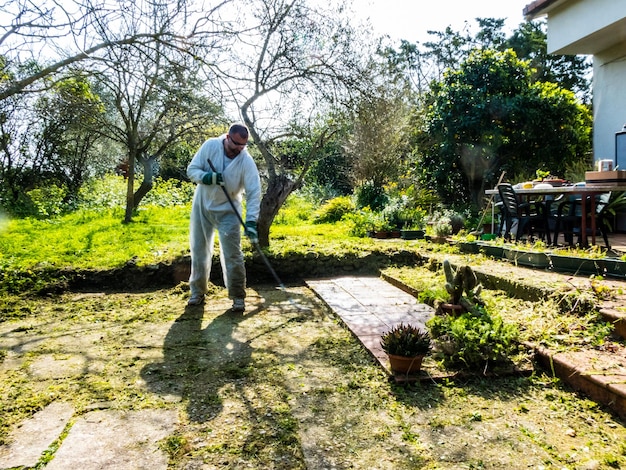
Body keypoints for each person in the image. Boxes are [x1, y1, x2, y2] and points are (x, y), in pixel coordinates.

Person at [186, 123, 261, 310]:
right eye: (235, 144)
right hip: (202, 204)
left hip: (229, 210)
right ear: (228, 137)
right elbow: (192, 170)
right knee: (199, 250)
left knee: (233, 254)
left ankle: (238, 296)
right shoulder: (210, 146)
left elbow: (254, 191)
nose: (238, 149)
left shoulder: (245, 161)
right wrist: (207, 177)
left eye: (242, 146)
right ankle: (197, 292)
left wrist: (251, 221)